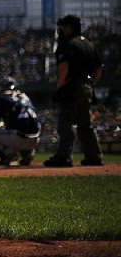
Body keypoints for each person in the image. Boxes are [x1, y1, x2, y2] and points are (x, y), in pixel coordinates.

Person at [44, 15, 105, 167]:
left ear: (70, 27)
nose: (61, 30)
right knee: (85, 123)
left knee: (66, 120)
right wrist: (91, 84)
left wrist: (60, 83)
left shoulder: (68, 43)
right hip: (86, 87)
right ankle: (94, 156)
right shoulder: (89, 44)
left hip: (71, 86)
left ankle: (64, 156)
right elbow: (98, 68)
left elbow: (64, 65)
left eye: (63, 27)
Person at [0, 78, 41, 166]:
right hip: (36, 139)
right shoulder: (24, 97)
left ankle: (8, 154)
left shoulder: (2, 98)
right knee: (20, 127)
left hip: (18, 138)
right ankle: (28, 153)